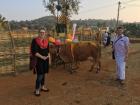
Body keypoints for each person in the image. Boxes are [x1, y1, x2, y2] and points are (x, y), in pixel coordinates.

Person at [30, 28, 50, 96]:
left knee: (44, 73)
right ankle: (37, 90)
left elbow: (48, 50)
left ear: (45, 34)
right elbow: (34, 52)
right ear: (39, 33)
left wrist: (48, 56)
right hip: (38, 60)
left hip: (45, 60)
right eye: (41, 32)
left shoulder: (46, 41)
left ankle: (42, 87)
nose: (42, 33)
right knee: (40, 75)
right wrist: (42, 57)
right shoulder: (35, 41)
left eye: (43, 32)